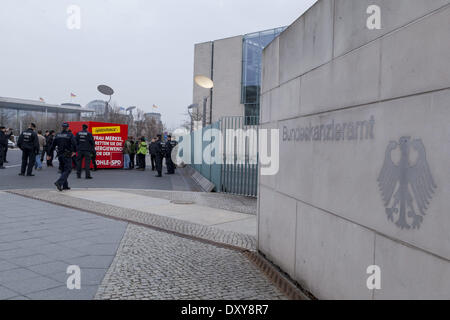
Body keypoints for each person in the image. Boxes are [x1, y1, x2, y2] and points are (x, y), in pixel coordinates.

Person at [48, 122, 77, 191]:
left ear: (62, 127)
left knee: (64, 170)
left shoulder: (58, 135)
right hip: (67, 155)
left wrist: (49, 154)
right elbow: (74, 144)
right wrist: (74, 151)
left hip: (60, 155)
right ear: (68, 128)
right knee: (68, 169)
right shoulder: (70, 135)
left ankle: (65, 186)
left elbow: (52, 145)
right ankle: (59, 182)